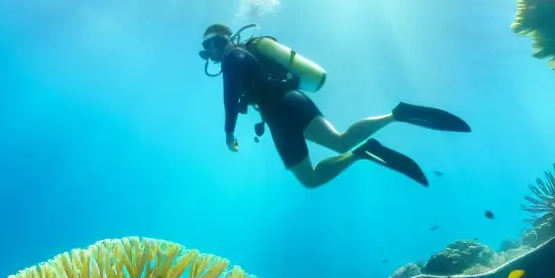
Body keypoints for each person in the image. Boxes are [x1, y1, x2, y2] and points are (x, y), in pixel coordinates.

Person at [199, 23, 470, 188]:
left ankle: (363, 153)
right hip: (293, 102)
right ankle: (396, 115)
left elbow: (229, 95)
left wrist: (228, 133)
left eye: (207, 49)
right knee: (340, 142)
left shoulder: (232, 57)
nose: (207, 56)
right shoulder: (246, 53)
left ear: (216, 44)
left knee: (311, 180)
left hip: (279, 116)